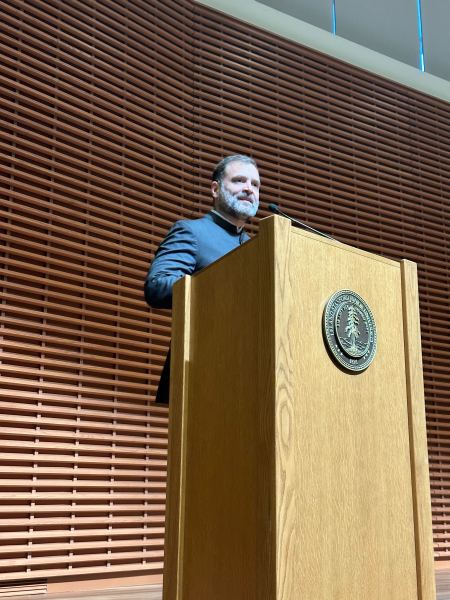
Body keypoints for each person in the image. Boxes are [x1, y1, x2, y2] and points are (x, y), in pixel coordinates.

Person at [144, 154, 261, 404]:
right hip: (203, 371)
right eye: (239, 181)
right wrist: (217, 287)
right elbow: (157, 285)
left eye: (255, 184)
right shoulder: (191, 231)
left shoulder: (258, 249)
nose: (249, 189)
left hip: (253, 373)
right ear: (215, 189)